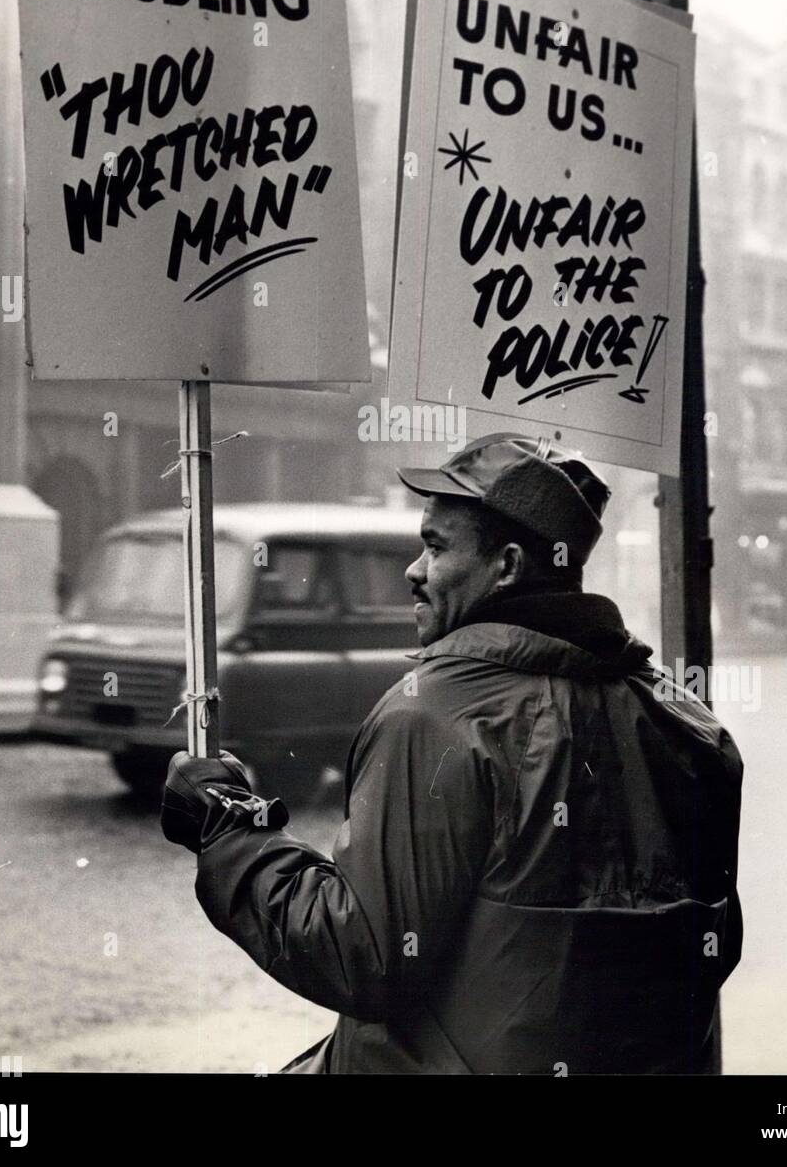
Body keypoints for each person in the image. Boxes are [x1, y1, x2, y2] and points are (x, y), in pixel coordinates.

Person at [161, 431, 744, 1074]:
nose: (413, 570)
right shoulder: (690, 729)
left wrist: (230, 833)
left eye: (436, 547)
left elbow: (364, 957)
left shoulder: (436, 717)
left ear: (509, 565)